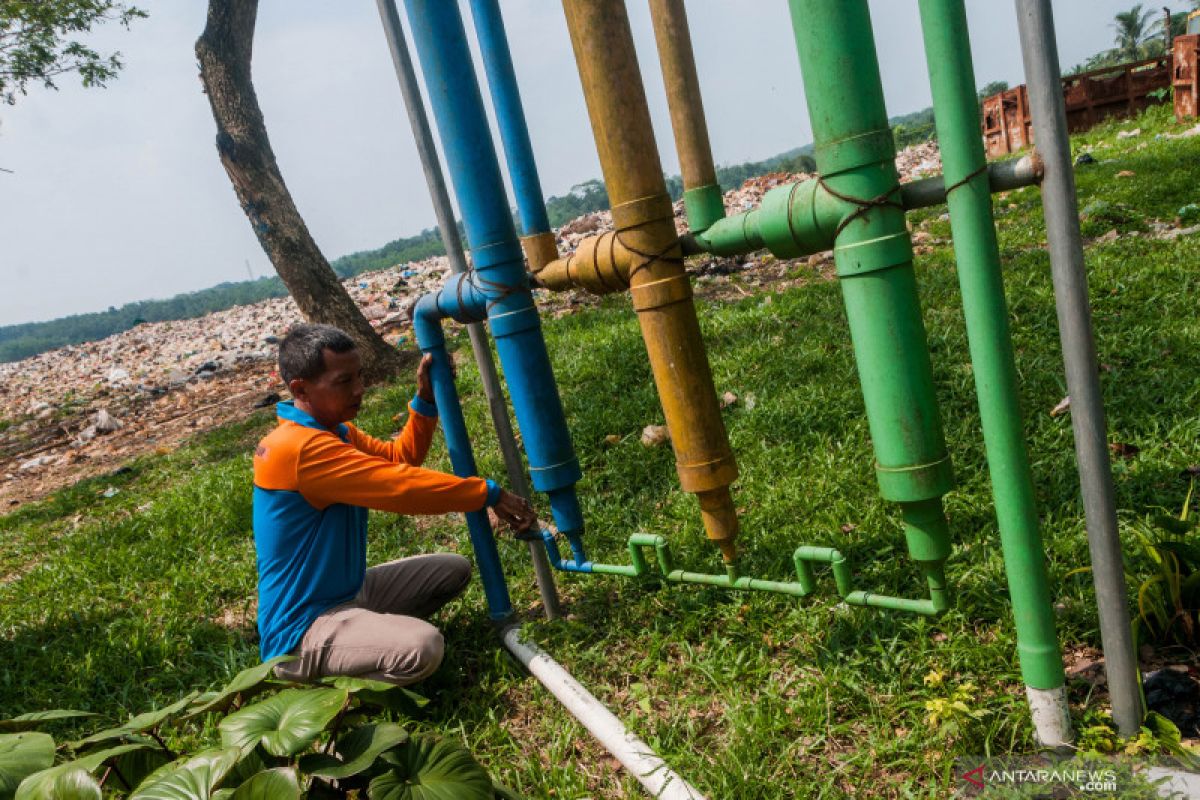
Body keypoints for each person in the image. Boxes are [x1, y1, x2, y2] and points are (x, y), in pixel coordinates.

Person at [252, 323, 535, 686]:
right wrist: (487, 494)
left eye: (359, 376)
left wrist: (425, 401)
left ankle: (362, 639)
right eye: (343, 381)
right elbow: (402, 488)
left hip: (346, 593)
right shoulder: (301, 449)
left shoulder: (333, 432)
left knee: (453, 569)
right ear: (300, 389)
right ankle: (324, 693)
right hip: (302, 630)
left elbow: (397, 460)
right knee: (423, 647)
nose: (359, 389)